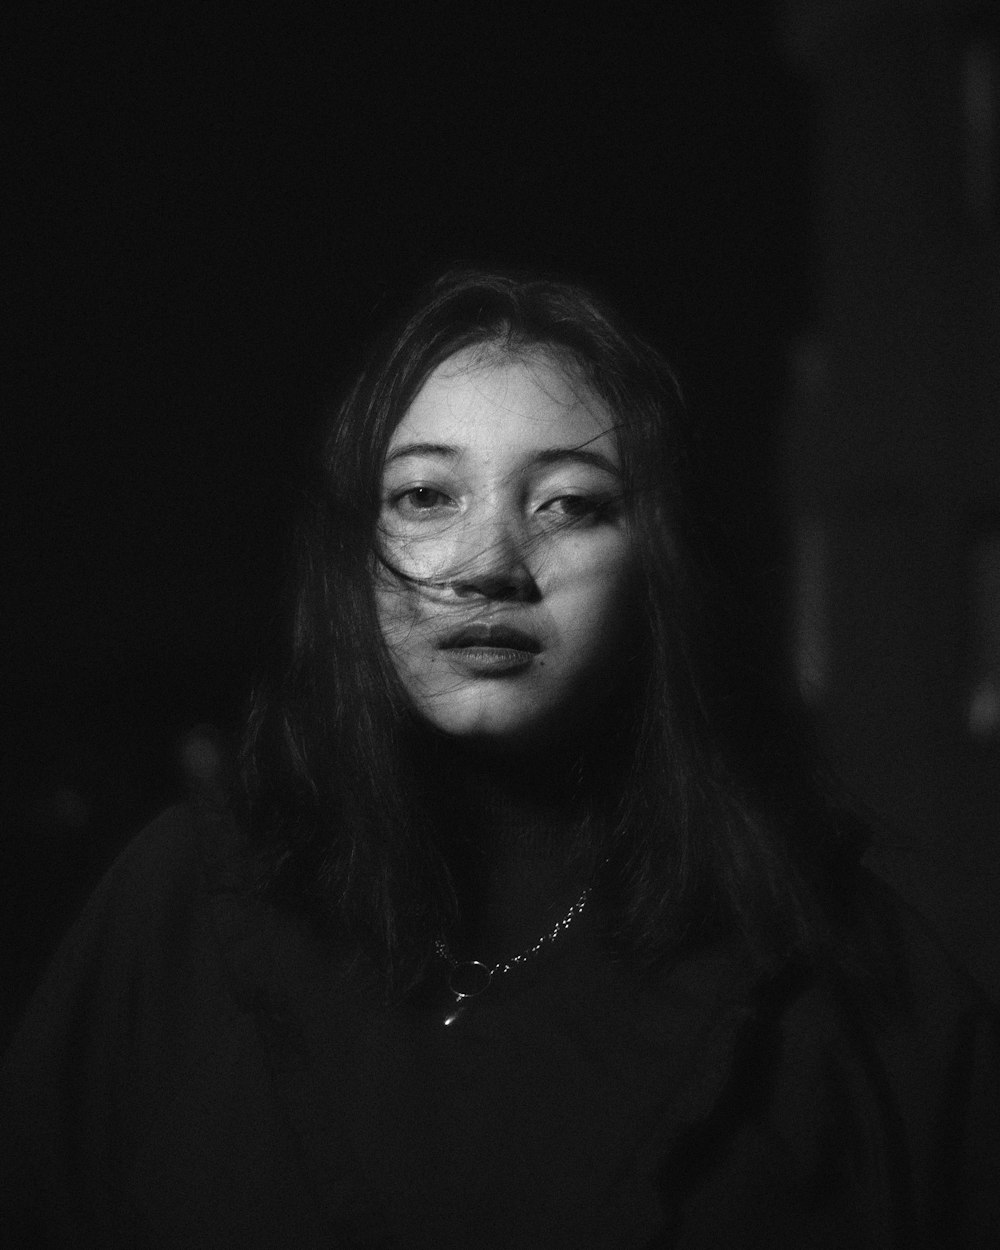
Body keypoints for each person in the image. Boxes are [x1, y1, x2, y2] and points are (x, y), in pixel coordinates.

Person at [2, 268, 997, 1248]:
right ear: (351, 551)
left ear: (661, 566)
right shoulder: (179, 912)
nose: (488, 563)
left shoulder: (847, 983)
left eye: (567, 503)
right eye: (427, 494)